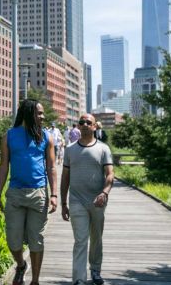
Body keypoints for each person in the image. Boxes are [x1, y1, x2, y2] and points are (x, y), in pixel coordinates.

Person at [0, 99, 58, 285]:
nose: (43, 117)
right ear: (28, 113)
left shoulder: (46, 137)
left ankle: (35, 280)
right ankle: (21, 264)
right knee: (13, 240)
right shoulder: (9, 136)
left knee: (36, 240)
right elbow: (3, 166)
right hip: (15, 194)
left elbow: (52, 167)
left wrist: (54, 195)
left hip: (38, 194)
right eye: (39, 113)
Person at [60, 113, 114, 285]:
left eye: (87, 122)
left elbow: (110, 174)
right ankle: (79, 278)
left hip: (97, 201)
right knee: (80, 240)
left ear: (94, 127)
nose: (83, 124)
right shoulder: (70, 150)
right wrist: (63, 202)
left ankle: (96, 270)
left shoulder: (103, 149)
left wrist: (104, 193)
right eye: (81, 122)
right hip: (76, 201)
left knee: (96, 238)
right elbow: (65, 177)